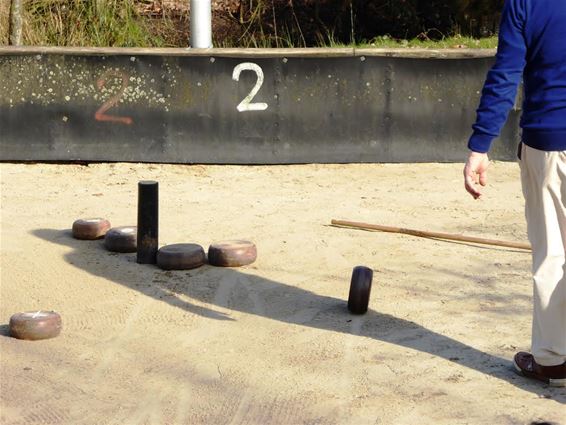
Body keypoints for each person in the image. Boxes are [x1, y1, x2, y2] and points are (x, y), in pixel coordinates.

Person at [464, 0, 565, 387]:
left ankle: (554, 361)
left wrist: (480, 145)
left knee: (554, 251)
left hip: (550, 141)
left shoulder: (526, 2)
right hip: (549, 138)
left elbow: (506, 74)